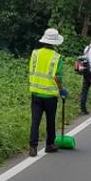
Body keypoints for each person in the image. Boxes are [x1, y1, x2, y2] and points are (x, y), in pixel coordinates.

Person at [28, 28, 68, 157]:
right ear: (55, 43)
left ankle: (33, 148)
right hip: (50, 95)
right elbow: (58, 77)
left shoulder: (35, 53)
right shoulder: (57, 57)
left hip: (35, 93)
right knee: (50, 120)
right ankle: (50, 145)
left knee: (35, 121)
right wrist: (61, 89)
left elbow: (31, 70)